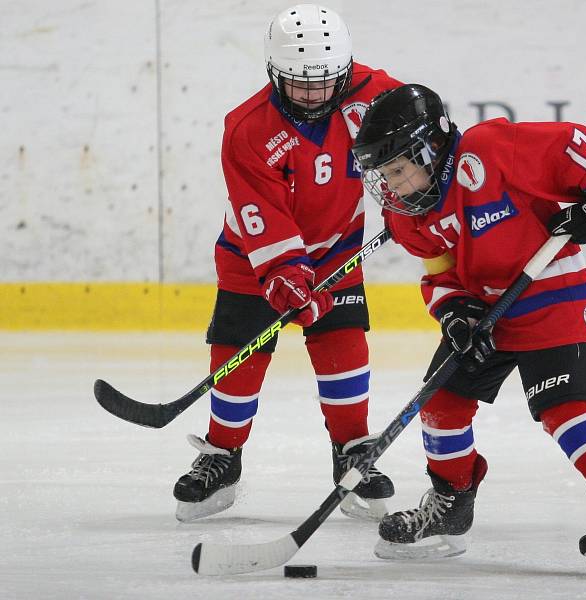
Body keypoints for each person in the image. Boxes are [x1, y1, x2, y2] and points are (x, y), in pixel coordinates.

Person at [351, 84, 586, 574]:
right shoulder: (407, 211)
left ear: (429, 148)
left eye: (397, 171)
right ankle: (451, 503)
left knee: (563, 409)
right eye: (384, 176)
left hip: (550, 296)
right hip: (485, 313)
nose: (391, 186)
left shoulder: (492, 150)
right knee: (441, 403)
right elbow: (439, 273)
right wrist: (455, 310)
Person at [172, 4, 403, 524]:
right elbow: (264, 214)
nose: (312, 94)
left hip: (339, 250)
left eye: (324, 81)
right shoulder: (248, 128)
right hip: (254, 259)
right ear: (275, 72)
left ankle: (353, 453)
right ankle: (222, 455)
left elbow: (420, 141)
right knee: (239, 354)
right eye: (298, 83)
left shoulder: (378, 96)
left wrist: (417, 202)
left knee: (342, 341)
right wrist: (285, 275)